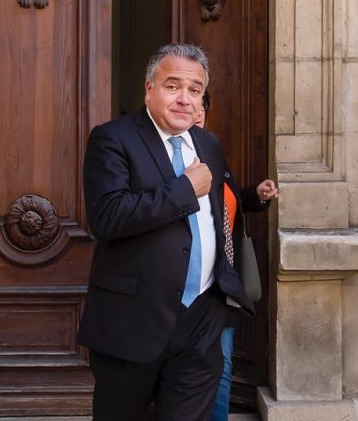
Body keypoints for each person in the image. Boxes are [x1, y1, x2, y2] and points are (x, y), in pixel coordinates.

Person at [78, 43, 255, 421]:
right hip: (132, 320)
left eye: (195, 90)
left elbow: (218, 215)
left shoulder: (208, 143)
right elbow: (108, 217)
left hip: (202, 318)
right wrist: (184, 189)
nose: (185, 100)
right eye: (173, 86)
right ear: (148, 88)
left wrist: (222, 289)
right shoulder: (113, 138)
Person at [194, 92, 277, 421]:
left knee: (222, 366)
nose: (196, 111)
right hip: (183, 284)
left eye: (202, 106)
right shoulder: (165, 158)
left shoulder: (213, 153)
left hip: (222, 281)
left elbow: (223, 206)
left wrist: (254, 196)